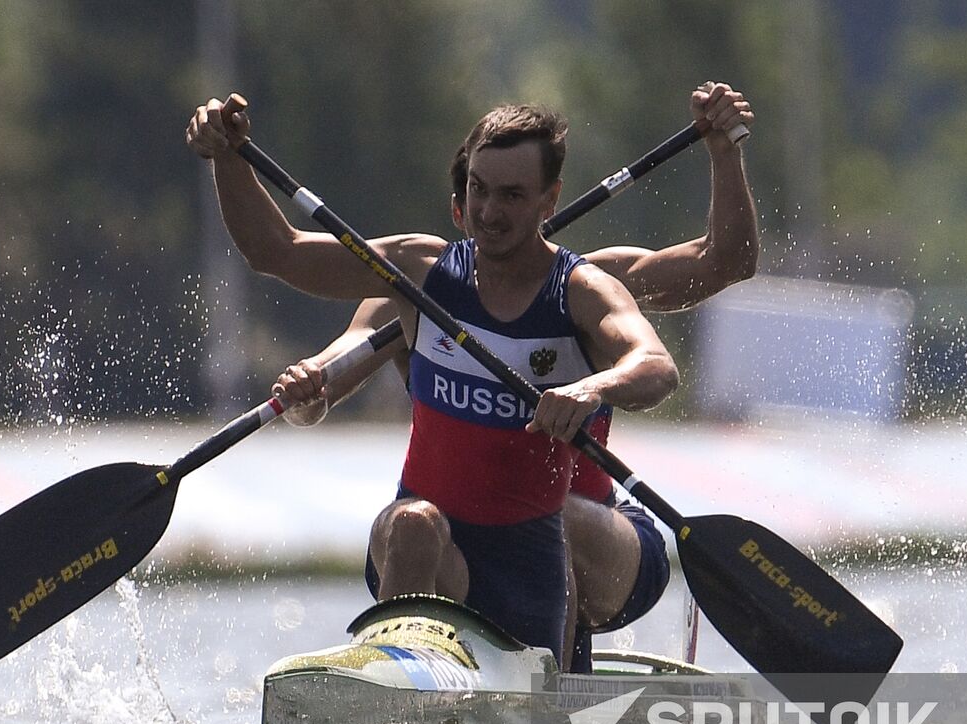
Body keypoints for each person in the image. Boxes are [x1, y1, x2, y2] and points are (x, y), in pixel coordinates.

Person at [266, 83, 757, 672]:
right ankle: (393, 688)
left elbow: (725, 262)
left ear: (546, 203)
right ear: (458, 206)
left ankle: (561, 688)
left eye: (512, 196)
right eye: (479, 194)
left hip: (594, 538)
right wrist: (304, 389)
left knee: (561, 518)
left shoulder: (592, 287)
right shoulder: (414, 292)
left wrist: (725, 148)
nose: (492, 213)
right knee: (413, 524)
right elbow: (325, 376)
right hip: (458, 534)